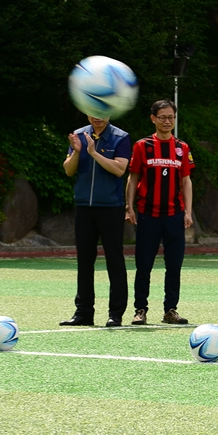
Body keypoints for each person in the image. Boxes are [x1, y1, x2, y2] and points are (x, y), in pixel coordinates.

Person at [126, 99, 195, 325]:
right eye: (163, 117)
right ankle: (140, 310)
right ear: (153, 118)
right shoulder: (142, 146)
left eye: (171, 117)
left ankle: (170, 310)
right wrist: (129, 207)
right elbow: (133, 177)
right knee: (143, 265)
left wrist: (188, 211)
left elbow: (186, 180)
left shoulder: (182, 148)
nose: (167, 121)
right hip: (147, 214)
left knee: (174, 265)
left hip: (174, 215)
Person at [61, 114, 131, 327]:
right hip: (84, 207)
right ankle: (83, 313)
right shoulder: (79, 135)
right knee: (84, 260)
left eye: (102, 113)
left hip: (110, 207)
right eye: (93, 113)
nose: (97, 118)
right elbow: (69, 170)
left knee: (114, 260)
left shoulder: (121, 137)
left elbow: (120, 169)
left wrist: (93, 153)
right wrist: (78, 152)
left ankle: (115, 313)